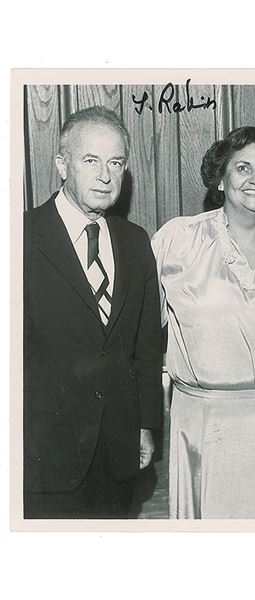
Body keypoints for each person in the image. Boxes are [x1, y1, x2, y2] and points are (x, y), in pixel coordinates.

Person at [152, 126, 255, 519]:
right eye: (243, 168)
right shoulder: (179, 241)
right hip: (206, 427)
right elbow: (139, 333)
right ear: (220, 179)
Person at [23, 106, 163, 519]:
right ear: (61, 165)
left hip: (118, 453)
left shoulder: (135, 242)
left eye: (115, 163)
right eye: (91, 160)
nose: (105, 175)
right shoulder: (19, 238)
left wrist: (145, 426)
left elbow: (146, 347)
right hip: (41, 454)